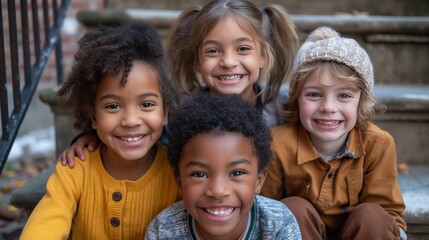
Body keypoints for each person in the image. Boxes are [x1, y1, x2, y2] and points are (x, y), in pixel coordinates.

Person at [58, 0, 299, 166]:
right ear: (196, 60)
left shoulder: (282, 108)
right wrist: (91, 138)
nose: (228, 61)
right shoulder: (180, 108)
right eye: (213, 51)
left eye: (243, 49)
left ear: (263, 56)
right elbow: (139, 133)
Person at [20, 22, 180, 239]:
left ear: (165, 112)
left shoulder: (176, 174)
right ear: (93, 117)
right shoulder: (76, 169)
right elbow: (47, 221)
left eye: (146, 104)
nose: (131, 120)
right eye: (113, 106)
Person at [260, 26, 407, 240]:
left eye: (344, 95)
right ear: (296, 99)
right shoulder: (277, 144)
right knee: (292, 209)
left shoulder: (378, 144)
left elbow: (389, 216)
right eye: (314, 94)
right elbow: (265, 210)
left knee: (374, 215)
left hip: (361, 232)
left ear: (361, 102)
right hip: (301, 232)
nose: (328, 107)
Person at [145, 93, 302, 240]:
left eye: (237, 172)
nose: (218, 191)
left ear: (259, 181)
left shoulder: (278, 224)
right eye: (199, 175)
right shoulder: (163, 230)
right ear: (180, 183)